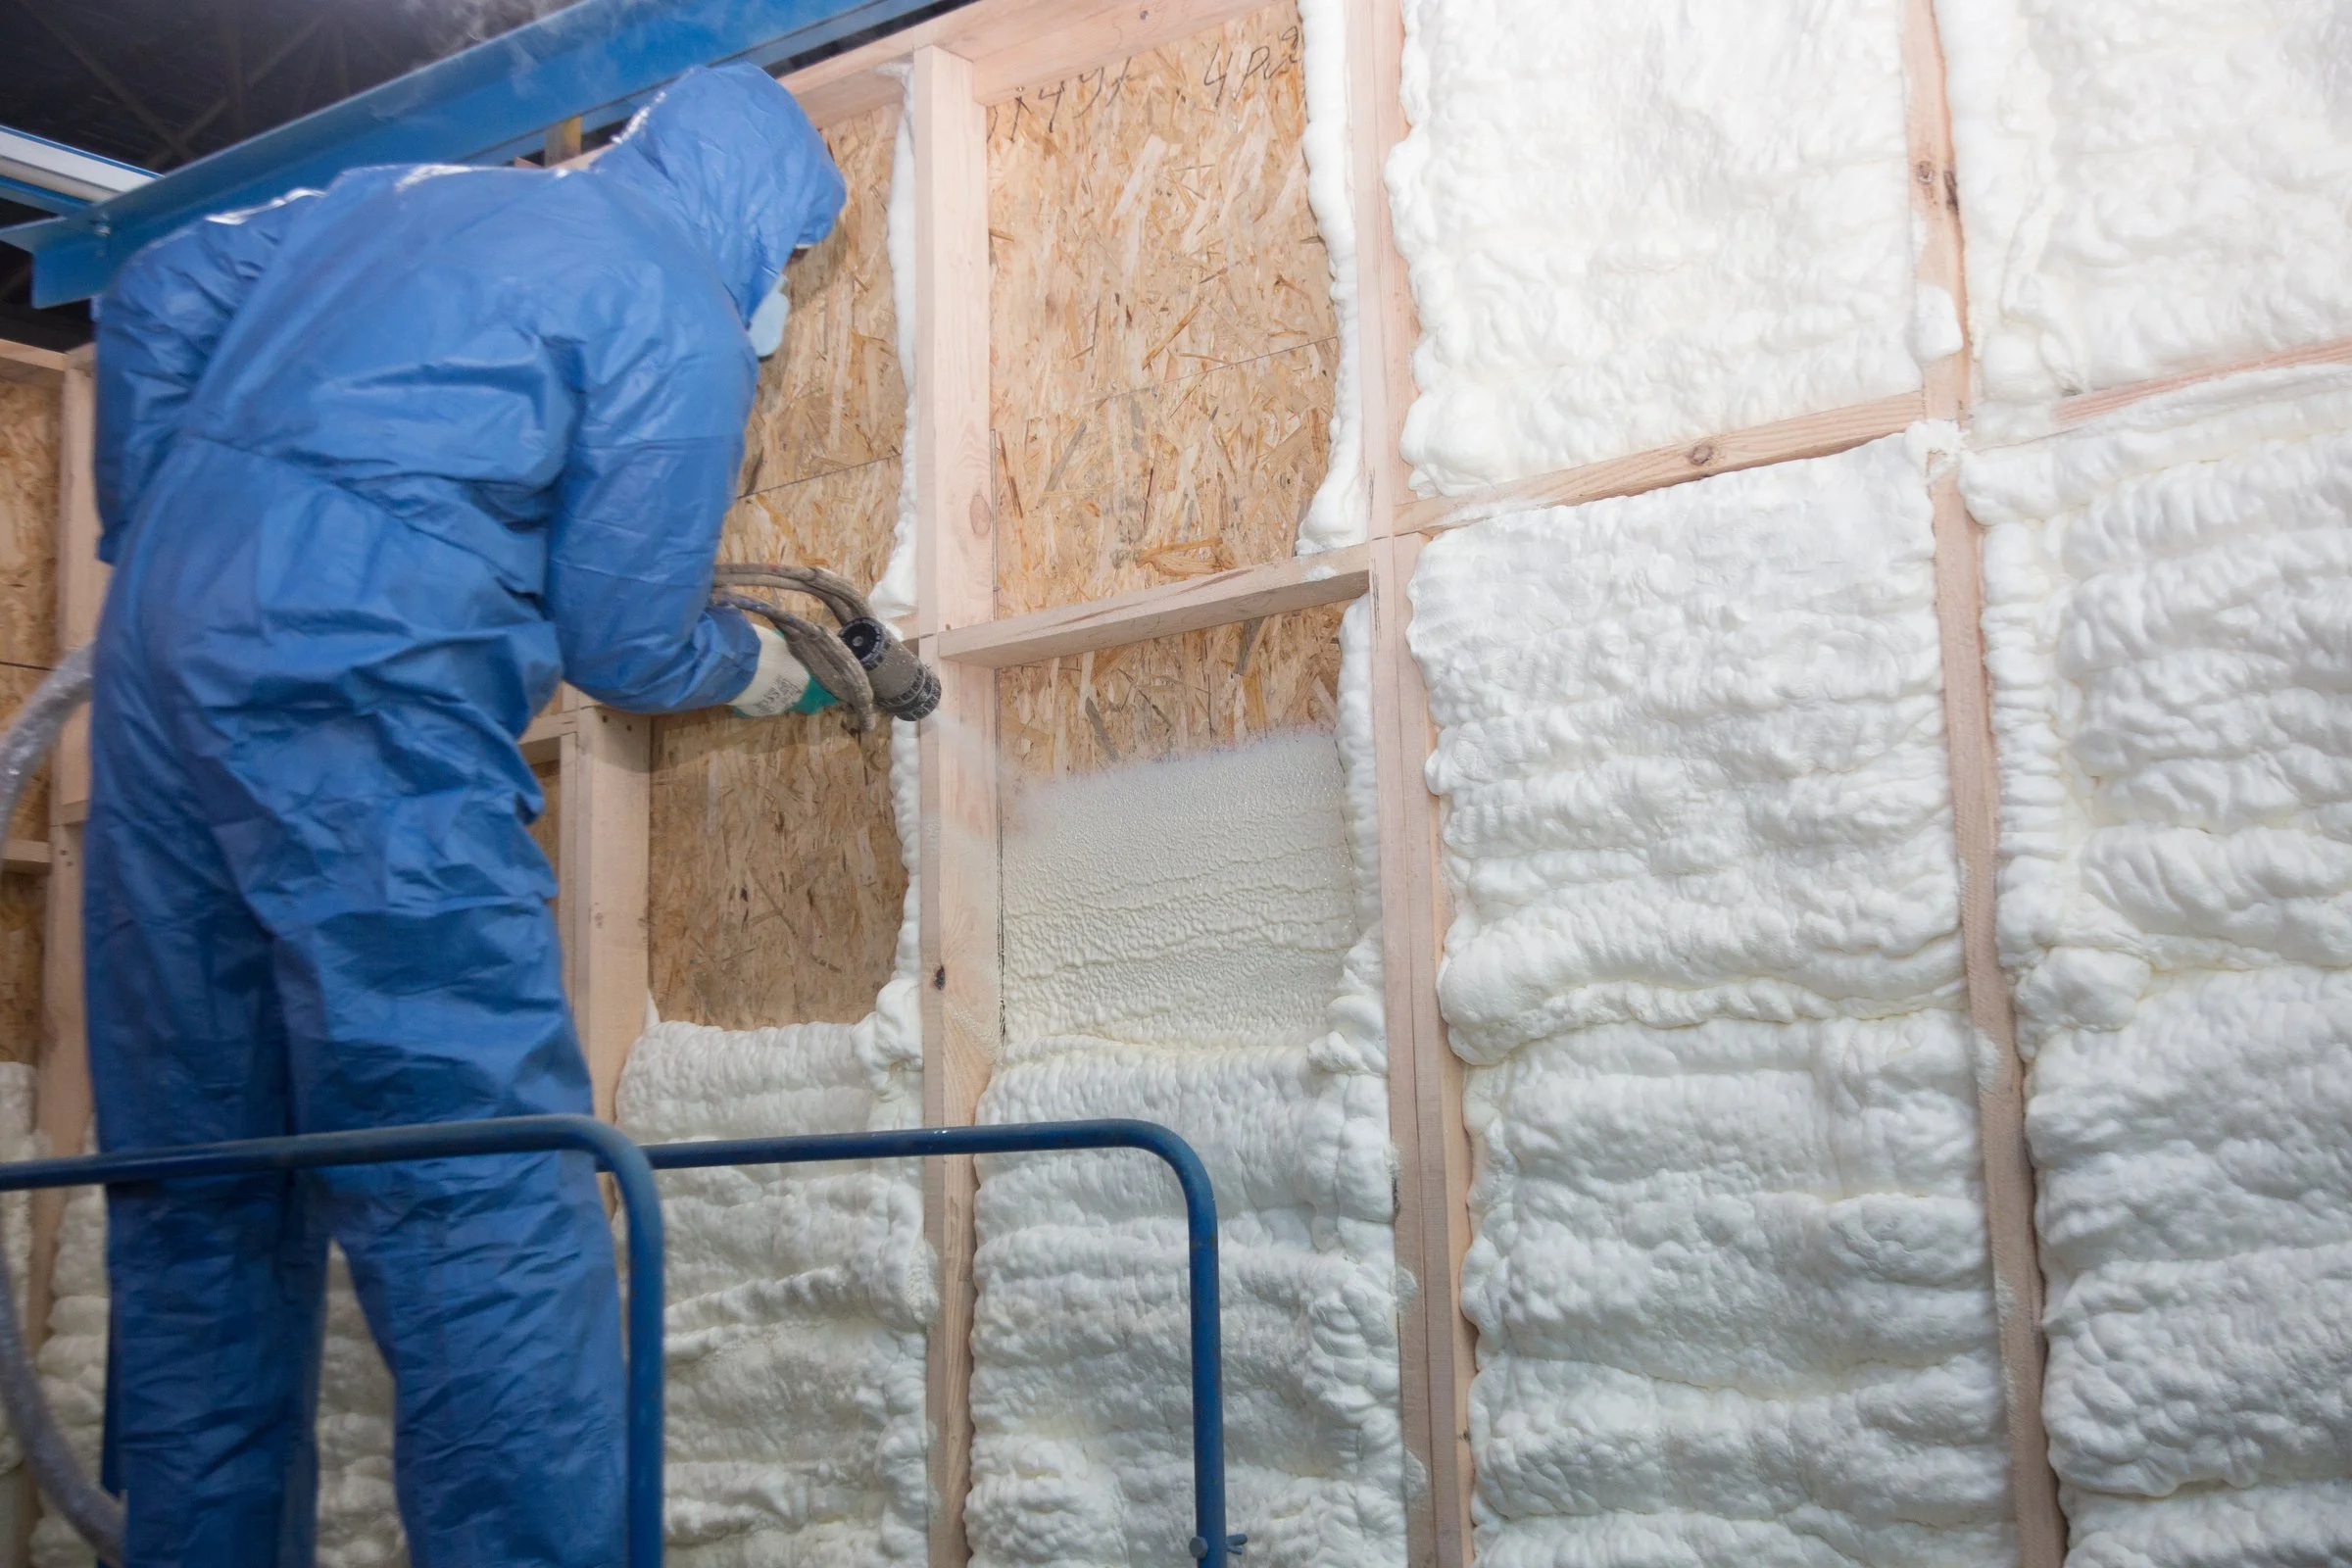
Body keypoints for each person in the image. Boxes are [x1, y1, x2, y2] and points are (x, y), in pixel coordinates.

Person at [81, 62, 844, 1566]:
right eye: (798, 259)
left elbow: (157, 285)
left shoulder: (401, 200)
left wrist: (168, 514)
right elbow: (622, 638)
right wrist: (752, 669)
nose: (785, 292)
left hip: (157, 673)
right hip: (361, 680)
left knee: (200, 1192)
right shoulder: (677, 306)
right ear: (759, 211)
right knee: (479, 1203)